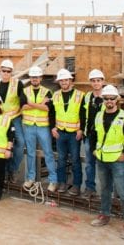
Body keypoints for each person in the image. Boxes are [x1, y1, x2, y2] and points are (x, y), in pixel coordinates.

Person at [90, 85, 124, 240]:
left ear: (117, 99)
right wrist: (93, 150)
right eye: (106, 99)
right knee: (104, 190)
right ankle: (104, 215)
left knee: (123, 193)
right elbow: (92, 134)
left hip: (117, 161)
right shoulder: (99, 115)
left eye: (112, 98)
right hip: (102, 159)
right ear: (103, 100)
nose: (109, 101)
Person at [21, 66, 58, 193]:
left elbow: (47, 109)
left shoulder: (47, 91)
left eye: (36, 77)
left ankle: (53, 180)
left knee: (48, 153)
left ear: (40, 78)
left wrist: (30, 104)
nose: (34, 79)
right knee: (30, 153)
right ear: (30, 78)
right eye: (32, 77)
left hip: (43, 127)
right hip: (29, 126)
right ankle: (30, 178)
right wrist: (39, 105)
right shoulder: (25, 91)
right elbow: (22, 107)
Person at [51, 68, 85, 196]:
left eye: (66, 80)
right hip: (60, 132)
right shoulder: (56, 95)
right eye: (61, 80)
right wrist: (53, 127)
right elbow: (52, 112)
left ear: (70, 81)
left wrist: (81, 129)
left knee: (75, 159)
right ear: (59, 82)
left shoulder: (80, 95)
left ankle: (76, 185)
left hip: (74, 133)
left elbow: (83, 113)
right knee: (61, 159)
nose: (64, 82)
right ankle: (62, 183)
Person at [0, 59, 25, 183]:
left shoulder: (18, 84)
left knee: (20, 143)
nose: (5, 73)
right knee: (3, 145)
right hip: (2, 120)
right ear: (0, 71)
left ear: (11, 72)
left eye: (8, 71)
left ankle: (13, 169)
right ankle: (4, 172)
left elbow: (23, 101)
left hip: (15, 119)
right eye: (3, 71)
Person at [82, 69, 106, 198]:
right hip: (89, 136)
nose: (96, 83)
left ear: (103, 81)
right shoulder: (87, 97)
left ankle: (105, 191)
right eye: (93, 81)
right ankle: (90, 188)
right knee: (89, 164)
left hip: (103, 138)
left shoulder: (108, 97)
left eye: (98, 80)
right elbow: (83, 115)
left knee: (103, 165)